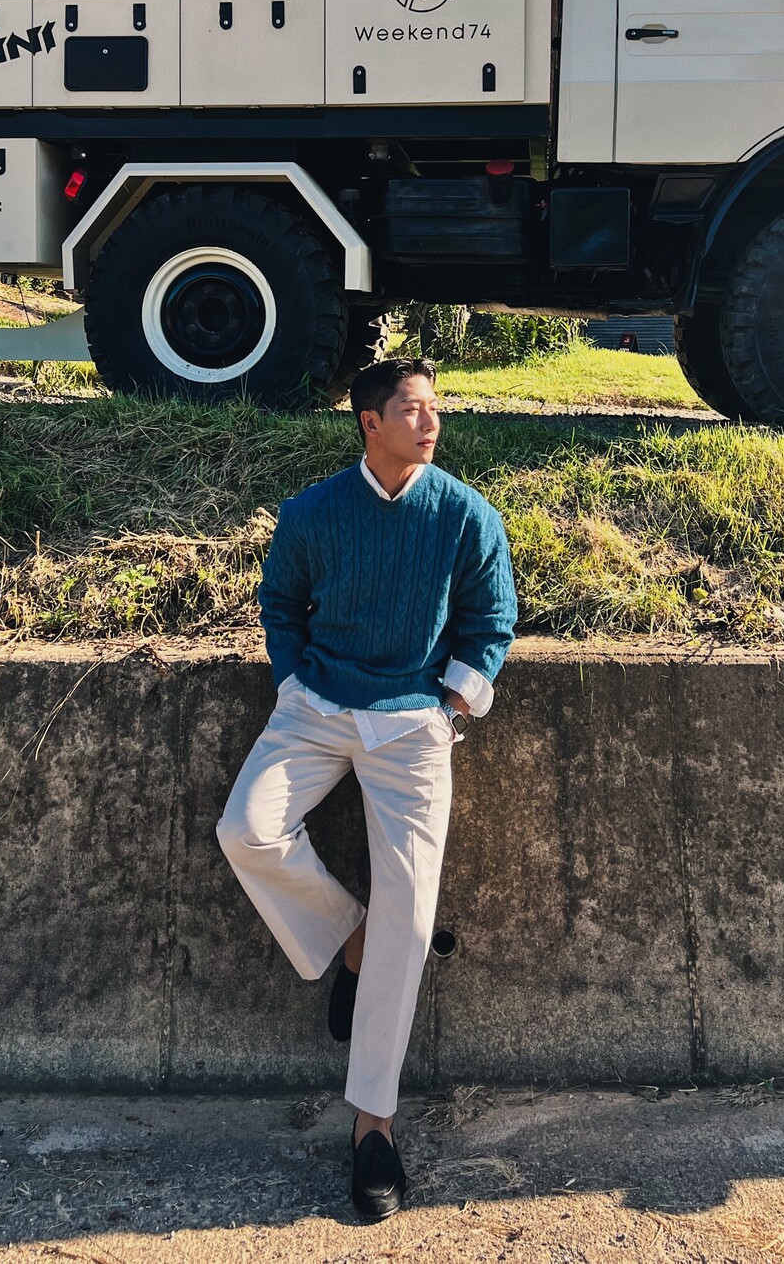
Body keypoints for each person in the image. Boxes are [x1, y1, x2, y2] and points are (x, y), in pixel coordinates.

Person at [217, 356, 517, 1219]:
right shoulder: (313, 511)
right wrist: (292, 681)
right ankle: (349, 935)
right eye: (412, 409)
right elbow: (282, 603)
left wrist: (451, 708)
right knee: (247, 829)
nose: (431, 422)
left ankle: (373, 1125)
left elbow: (491, 620)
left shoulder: (465, 513)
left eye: (436, 408)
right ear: (370, 423)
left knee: (410, 915)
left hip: (414, 721)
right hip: (317, 706)